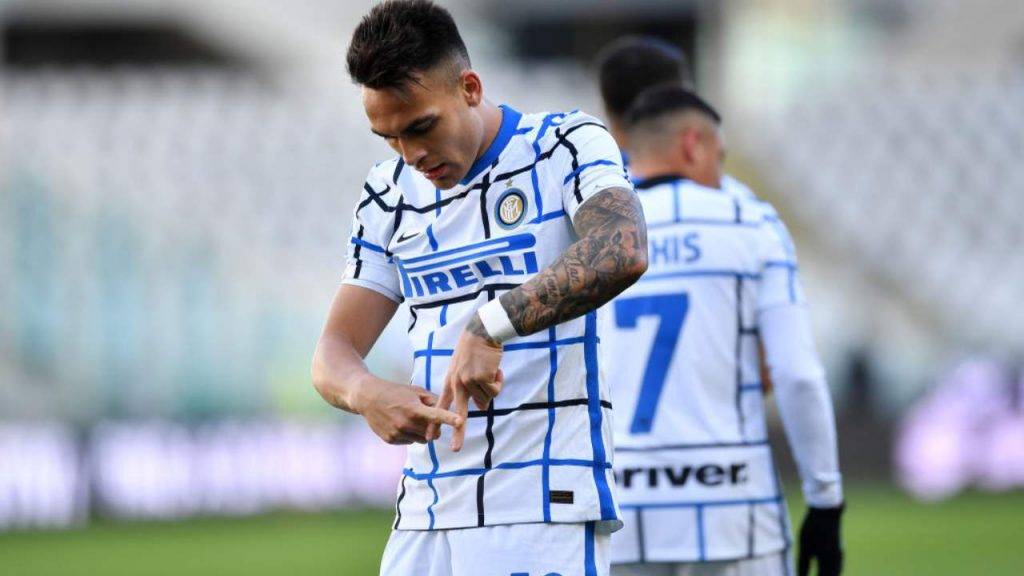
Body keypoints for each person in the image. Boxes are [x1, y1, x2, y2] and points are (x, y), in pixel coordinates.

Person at [311, 2, 648, 575]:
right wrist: (366, 393)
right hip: (426, 507)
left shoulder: (563, 143)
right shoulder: (388, 193)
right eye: (389, 138)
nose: (411, 155)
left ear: (470, 88)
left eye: (421, 127)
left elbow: (623, 247)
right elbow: (332, 354)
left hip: (541, 501)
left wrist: (490, 325)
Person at [600, 85, 844, 576]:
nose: (721, 172)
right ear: (694, 144)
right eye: (721, 157)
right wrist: (825, 500)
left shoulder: (589, 235)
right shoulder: (750, 222)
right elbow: (796, 373)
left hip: (618, 508)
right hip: (734, 508)